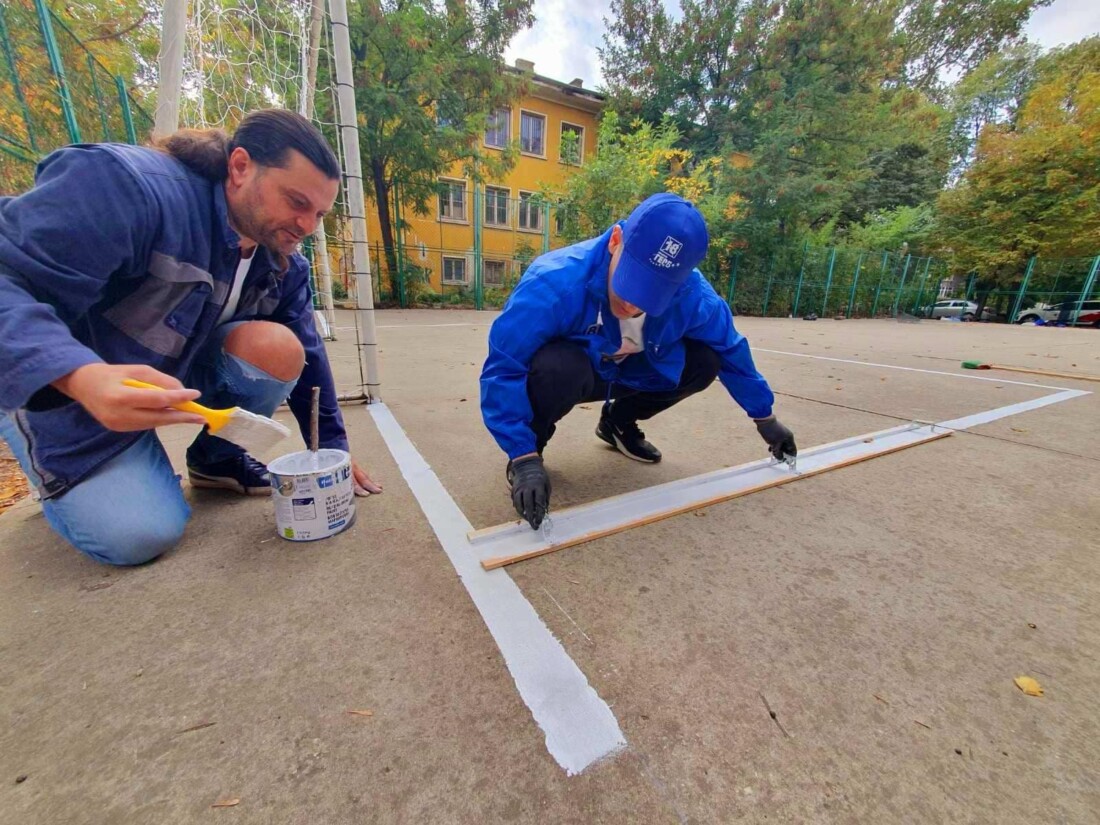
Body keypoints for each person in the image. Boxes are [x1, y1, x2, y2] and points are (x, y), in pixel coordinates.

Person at [0, 109, 382, 566]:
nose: (307, 225)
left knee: (281, 349)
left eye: (319, 213)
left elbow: (311, 360)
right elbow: (9, 276)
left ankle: (216, 461)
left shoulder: (282, 262)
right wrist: (78, 376)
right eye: (296, 202)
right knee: (140, 535)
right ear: (240, 167)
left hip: (170, 378)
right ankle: (49, 460)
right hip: (71, 395)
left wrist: (333, 453)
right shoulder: (127, 187)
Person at [480, 193, 796, 530]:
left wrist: (765, 417)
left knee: (706, 360)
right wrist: (522, 453)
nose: (632, 304)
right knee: (558, 367)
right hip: (580, 371)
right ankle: (533, 450)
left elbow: (732, 351)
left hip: (635, 372)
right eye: (632, 279)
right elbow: (504, 368)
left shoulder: (693, 296)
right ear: (616, 241)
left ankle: (618, 422)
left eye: (653, 290)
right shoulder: (554, 282)